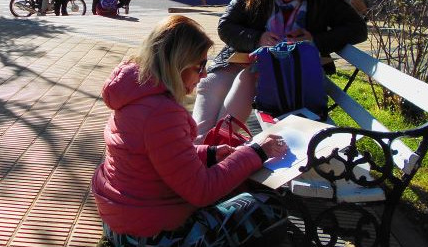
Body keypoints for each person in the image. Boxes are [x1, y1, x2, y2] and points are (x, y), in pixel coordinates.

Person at [91, 15, 289, 246]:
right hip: (149, 235)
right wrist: (256, 152)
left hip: (124, 221)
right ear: (178, 64)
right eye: (200, 65)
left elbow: (157, 156)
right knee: (269, 205)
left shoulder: (136, 92)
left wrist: (210, 153)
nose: (204, 74)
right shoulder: (162, 113)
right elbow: (201, 191)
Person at [191, 0, 368, 142]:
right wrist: (258, 38)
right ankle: (197, 148)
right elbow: (225, 25)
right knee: (211, 85)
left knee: (246, 80)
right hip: (243, 58)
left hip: (290, 71)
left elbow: (358, 29)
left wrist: (314, 39)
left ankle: (214, 148)